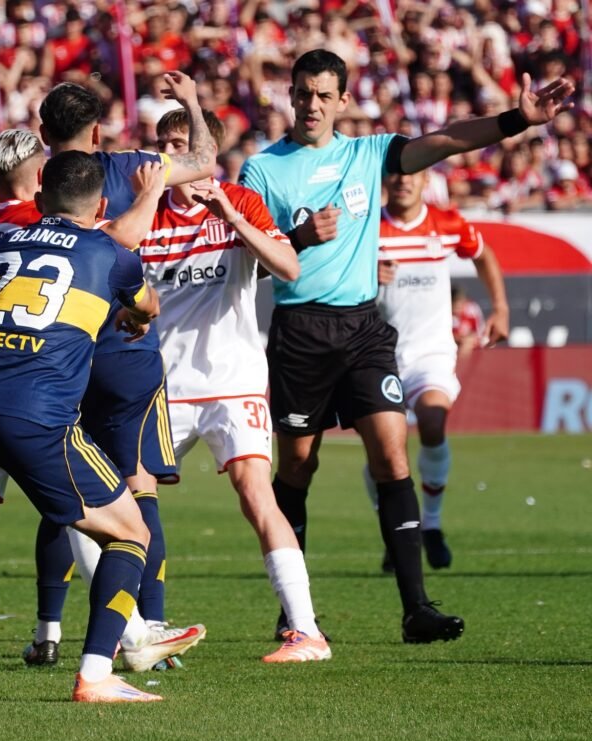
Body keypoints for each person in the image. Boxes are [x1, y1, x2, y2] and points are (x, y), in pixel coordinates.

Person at [238, 49, 570, 643]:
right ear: (290, 94)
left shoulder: (369, 154)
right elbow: (250, 264)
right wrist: (298, 237)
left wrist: (516, 120)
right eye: (303, 92)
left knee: (392, 458)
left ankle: (417, 609)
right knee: (297, 467)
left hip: (364, 329)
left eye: (324, 94)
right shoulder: (261, 170)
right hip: (300, 333)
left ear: (343, 101)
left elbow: (446, 140)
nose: (312, 104)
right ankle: (294, 611)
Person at [0, 128, 201, 676]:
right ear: (98, 206)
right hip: (36, 406)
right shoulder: (97, 243)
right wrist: (149, 203)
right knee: (122, 528)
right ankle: (108, 662)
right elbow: (134, 278)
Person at [26, 74, 216, 670]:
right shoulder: (134, 166)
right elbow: (206, 161)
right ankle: (146, 626)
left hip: (56, 357)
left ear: (43, 133)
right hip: (123, 350)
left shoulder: (36, 188)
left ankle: (52, 629)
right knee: (137, 485)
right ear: (97, 132)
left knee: (66, 492)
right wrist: (192, 104)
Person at [142, 108, 330, 662]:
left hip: (233, 381)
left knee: (256, 494)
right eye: (162, 142)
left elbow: (289, 267)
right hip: (164, 385)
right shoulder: (145, 212)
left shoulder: (240, 201)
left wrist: (231, 217)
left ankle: (306, 631)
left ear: (207, 150)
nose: (168, 152)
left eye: (180, 142)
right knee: (130, 499)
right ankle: (146, 631)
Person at [366, 169, 509, 571]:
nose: (403, 181)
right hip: (377, 354)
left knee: (432, 420)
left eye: (412, 174)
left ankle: (430, 524)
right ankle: (396, 530)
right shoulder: (368, 228)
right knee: (384, 451)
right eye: (395, 174)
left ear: (426, 179)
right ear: (385, 181)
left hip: (430, 352)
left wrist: (500, 308)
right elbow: (333, 273)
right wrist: (367, 276)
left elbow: (483, 254)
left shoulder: (446, 222)